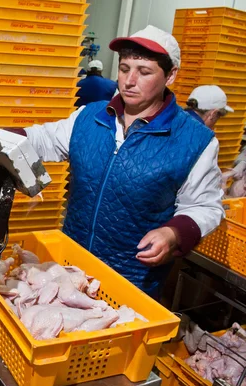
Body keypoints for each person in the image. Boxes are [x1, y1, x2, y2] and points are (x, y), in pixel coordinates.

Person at [20, 25, 224, 299]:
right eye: (125, 68)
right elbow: (42, 138)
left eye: (144, 72)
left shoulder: (195, 140)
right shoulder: (90, 117)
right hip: (71, 266)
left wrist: (174, 233)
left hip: (132, 280)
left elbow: (205, 206)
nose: (129, 81)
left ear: (171, 74)